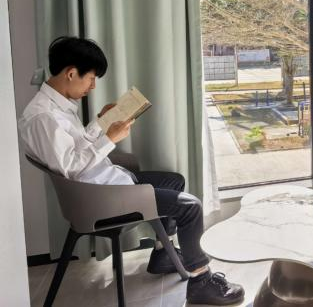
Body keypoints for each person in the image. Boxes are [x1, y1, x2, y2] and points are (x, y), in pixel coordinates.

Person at [18, 36, 244, 305]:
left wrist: (100, 123)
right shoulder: (43, 118)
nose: (92, 86)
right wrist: (109, 138)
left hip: (104, 183)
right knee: (190, 207)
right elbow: (71, 169)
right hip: (100, 198)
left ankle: (163, 253)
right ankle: (201, 281)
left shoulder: (58, 106)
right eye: (91, 78)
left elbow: (75, 149)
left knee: (173, 181)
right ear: (71, 73)